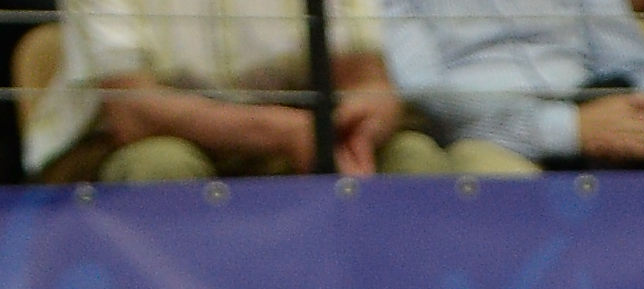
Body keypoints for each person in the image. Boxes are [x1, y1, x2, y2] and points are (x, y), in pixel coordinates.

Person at [25, 0, 450, 180]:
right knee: (161, 167)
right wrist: (284, 132)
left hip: (296, 131)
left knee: (412, 158)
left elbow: (366, 78)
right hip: (132, 142)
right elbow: (132, 112)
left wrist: (366, 115)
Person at [382, 0, 644, 173]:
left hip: (604, 114)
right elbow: (426, 95)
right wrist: (571, 129)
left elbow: (640, 66)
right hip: (492, 136)